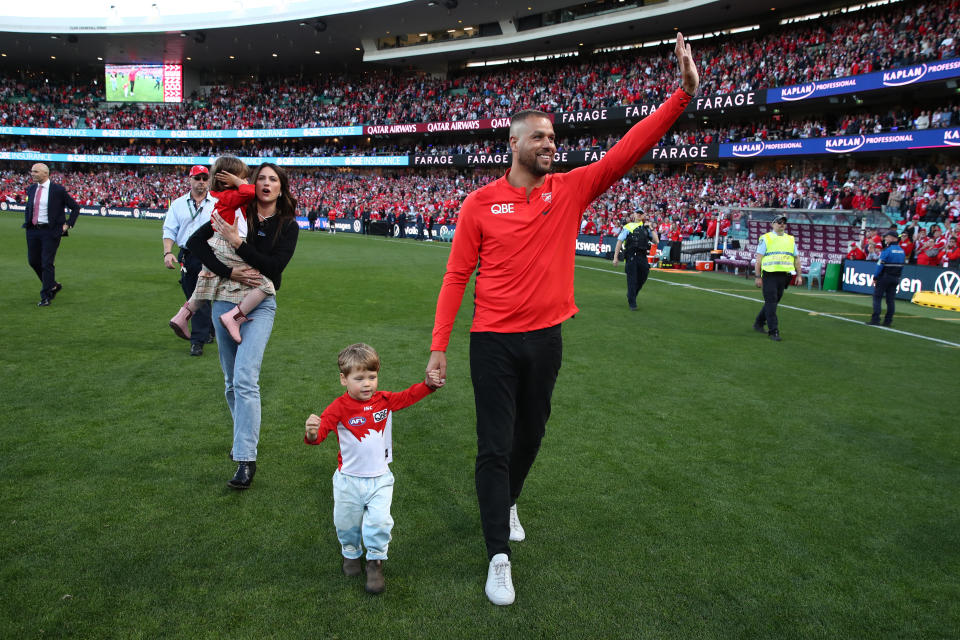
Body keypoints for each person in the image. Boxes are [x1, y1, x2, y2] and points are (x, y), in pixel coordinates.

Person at [425, 33, 699, 606]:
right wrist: (439, 345)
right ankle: (498, 553)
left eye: (553, 137)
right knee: (493, 446)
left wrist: (682, 95)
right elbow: (456, 278)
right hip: (492, 342)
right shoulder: (478, 203)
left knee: (531, 436)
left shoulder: (569, 190)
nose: (551, 144)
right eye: (540, 137)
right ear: (515, 142)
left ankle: (509, 500)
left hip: (546, 340)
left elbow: (626, 150)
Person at [187, 162, 300, 489]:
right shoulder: (237, 211)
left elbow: (274, 270)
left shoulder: (287, 225)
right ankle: (243, 441)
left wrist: (237, 243)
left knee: (246, 377)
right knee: (231, 381)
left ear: (281, 187)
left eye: (273, 179)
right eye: (261, 178)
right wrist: (227, 271)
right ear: (253, 183)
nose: (266, 183)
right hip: (224, 299)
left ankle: (245, 459)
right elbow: (195, 244)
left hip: (261, 304)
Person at [304, 343, 443, 595]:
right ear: (343, 380)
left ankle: (375, 561)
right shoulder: (338, 408)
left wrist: (429, 385)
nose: (367, 383)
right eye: (359, 378)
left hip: (380, 479)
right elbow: (320, 434)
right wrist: (312, 432)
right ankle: (351, 553)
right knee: (346, 523)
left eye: (372, 377)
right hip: (348, 481)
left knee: (379, 522)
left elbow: (409, 395)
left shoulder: (385, 401)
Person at [170, 156, 273, 345]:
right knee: (266, 284)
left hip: (218, 244)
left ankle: (183, 315)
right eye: (243, 177)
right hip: (232, 244)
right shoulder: (233, 196)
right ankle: (234, 317)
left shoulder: (220, 199)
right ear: (230, 179)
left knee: (207, 280)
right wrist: (239, 183)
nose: (246, 181)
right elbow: (254, 192)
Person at [162, 165, 218, 356]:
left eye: (204, 178)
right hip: (187, 254)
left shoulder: (217, 203)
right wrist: (167, 253)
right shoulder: (178, 204)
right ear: (190, 180)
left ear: (208, 180)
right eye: (197, 178)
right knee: (193, 295)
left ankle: (197, 340)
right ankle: (209, 328)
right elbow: (169, 230)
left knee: (199, 295)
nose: (201, 181)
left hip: (211, 254)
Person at [22, 163, 80, 307]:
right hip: (33, 230)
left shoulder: (57, 190)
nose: (32, 174)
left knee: (46, 262)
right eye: (32, 171)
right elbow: (29, 208)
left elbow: (75, 207)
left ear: (45, 173)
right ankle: (52, 285)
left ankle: (46, 296)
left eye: (35, 171)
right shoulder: (31, 189)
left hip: (51, 231)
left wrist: (67, 225)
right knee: (33, 261)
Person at [752, 215, 802, 342]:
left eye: (784, 222)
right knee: (772, 302)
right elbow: (758, 260)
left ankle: (758, 322)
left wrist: (799, 275)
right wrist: (758, 276)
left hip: (784, 276)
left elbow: (796, 258)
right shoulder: (766, 238)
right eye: (779, 222)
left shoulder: (790, 239)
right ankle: (773, 331)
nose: (782, 224)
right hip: (769, 275)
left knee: (773, 302)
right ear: (772, 224)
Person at [612, 209, 659, 310]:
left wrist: (651, 228)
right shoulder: (628, 227)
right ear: (633, 215)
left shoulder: (646, 228)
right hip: (631, 255)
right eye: (637, 213)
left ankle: (631, 294)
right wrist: (615, 257)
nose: (639, 215)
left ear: (643, 216)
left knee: (643, 276)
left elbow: (656, 240)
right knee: (632, 280)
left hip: (642, 256)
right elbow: (619, 241)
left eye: (641, 214)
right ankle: (632, 302)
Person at [868, 229, 906, 327]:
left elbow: (880, 265)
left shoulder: (887, 250)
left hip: (885, 277)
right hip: (895, 277)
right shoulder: (902, 251)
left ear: (893, 238)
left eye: (887, 237)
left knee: (877, 298)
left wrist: (875, 277)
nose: (886, 238)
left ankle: (875, 319)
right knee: (890, 300)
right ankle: (888, 321)